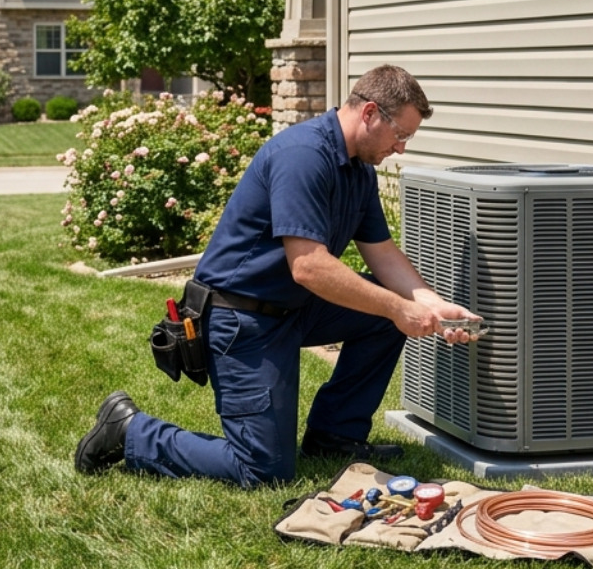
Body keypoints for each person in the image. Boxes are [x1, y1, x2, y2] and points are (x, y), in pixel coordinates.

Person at [73, 64, 480, 487]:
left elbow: (381, 252)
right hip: (243, 320)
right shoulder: (303, 156)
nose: (401, 148)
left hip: (293, 309)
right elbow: (308, 267)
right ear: (370, 113)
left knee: (385, 313)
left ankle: (335, 436)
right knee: (262, 469)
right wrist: (399, 308)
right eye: (401, 134)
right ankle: (131, 430)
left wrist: (430, 304)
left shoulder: (359, 170)